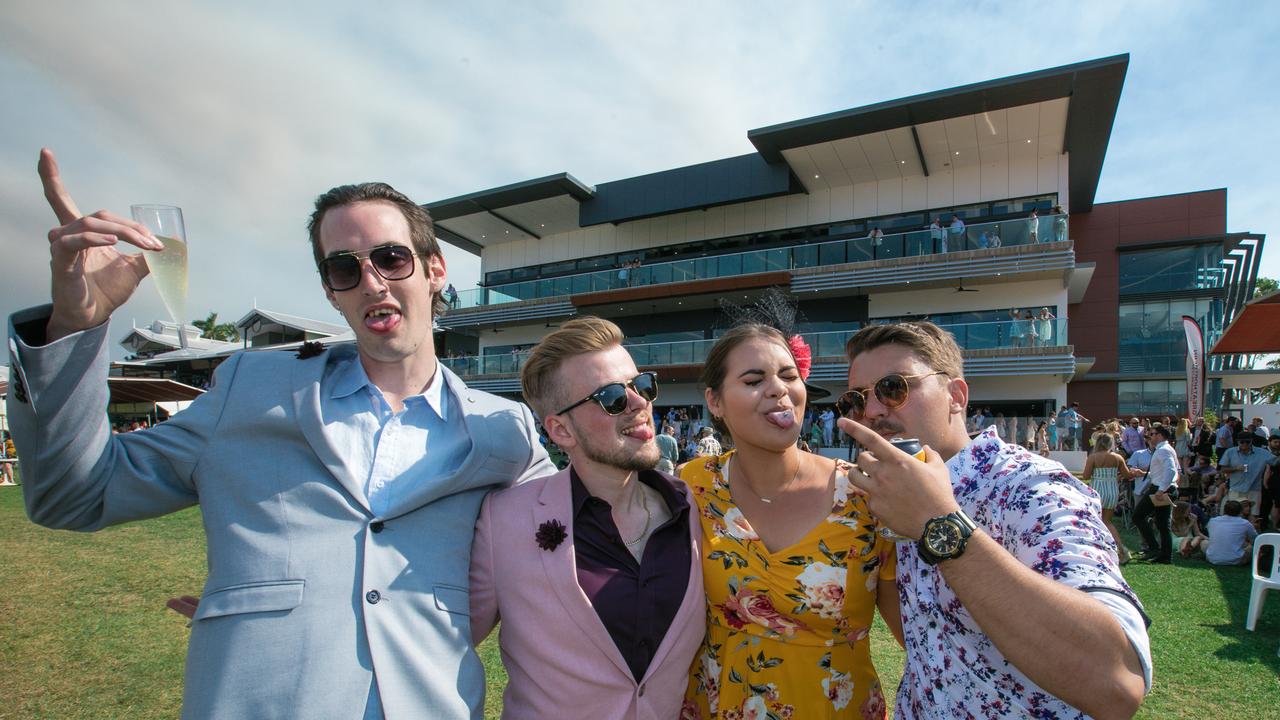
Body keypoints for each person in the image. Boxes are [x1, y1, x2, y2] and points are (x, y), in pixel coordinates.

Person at [9, 150, 553, 718]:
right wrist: (75, 327)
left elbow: (568, 540)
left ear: (435, 268)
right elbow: (71, 496)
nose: (371, 282)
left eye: (392, 258)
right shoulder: (250, 390)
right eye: (345, 269)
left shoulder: (501, 429)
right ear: (330, 291)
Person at [837, 321, 1150, 719]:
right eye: (857, 400)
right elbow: (933, 639)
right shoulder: (893, 496)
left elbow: (1117, 683)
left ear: (956, 396)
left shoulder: (1030, 486)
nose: (874, 411)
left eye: (893, 388)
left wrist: (938, 524)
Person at [470, 317, 704, 717]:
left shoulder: (697, 508)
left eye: (641, 385)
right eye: (612, 397)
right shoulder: (503, 521)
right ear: (561, 431)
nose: (639, 403)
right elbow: (444, 647)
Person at [684, 323, 900, 719]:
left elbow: (916, 633)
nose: (778, 389)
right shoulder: (691, 488)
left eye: (788, 375)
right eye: (754, 379)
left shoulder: (864, 495)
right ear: (714, 401)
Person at [1083, 433, 1135, 563]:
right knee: (1107, 521)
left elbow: (1086, 475)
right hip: (1112, 490)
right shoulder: (1117, 457)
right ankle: (1121, 549)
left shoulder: (1093, 457)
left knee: (1095, 520)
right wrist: (1137, 472)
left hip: (1097, 489)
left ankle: (1099, 547)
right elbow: (1127, 475)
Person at [1132, 426, 1179, 564]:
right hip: (1163, 488)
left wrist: (1161, 489)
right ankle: (1164, 555)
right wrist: (1143, 473)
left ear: (1160, 435)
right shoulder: (1164, 449)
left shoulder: (1163, 450)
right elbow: (1164, 472)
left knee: (1138, 516)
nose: (1150, 437)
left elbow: (1170, 471)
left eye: (1152, 434)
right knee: (1162, 524)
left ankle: (1154, 549)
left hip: (1160, 489)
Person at [1218, 432, 1267, 519]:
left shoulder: (1261, 452)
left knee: (1253, 515)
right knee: (1234, 513)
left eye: (1247, 442)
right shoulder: (1230, 452)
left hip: (1254, 488)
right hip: (1236, 488)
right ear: (1238, 442)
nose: (1245, 444)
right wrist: (1235, 468)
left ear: (1251, 441)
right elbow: (1222, 469)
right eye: (1242, 442)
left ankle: (1251, 530)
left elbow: (1275, 461)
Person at [1205, 500, 1257, 566]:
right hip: (1236, 560)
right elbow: (1255, 540)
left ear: (1224, 510)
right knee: (1251, 547)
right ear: (1240, 511)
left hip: (1212, 558)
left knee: (1204, 543)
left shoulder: (1213, 520)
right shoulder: (1245, 523)